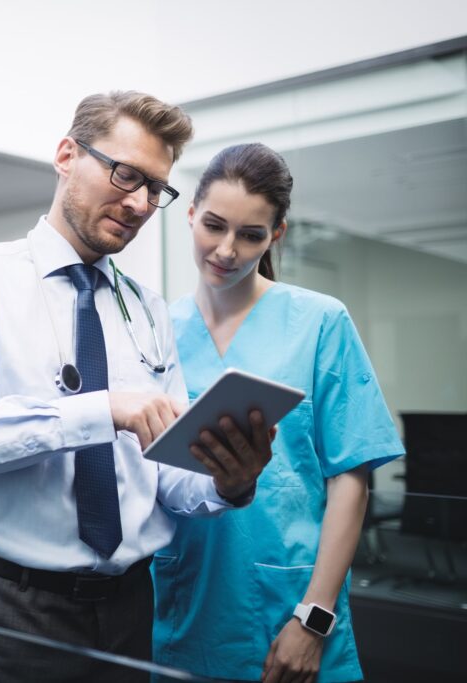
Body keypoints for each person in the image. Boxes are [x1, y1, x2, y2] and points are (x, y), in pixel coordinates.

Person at [0, 91, 275, 683]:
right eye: (126, 174)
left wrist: (226, 481)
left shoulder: (148, 310)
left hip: (129, 606)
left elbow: (166, 477)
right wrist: (98, 410)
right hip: (10, 605)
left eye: (156, 190)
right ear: (65, 155)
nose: (138, 203)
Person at [151, 143, 405, 683]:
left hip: (287, 607)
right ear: (190, 214)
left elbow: (351, 478)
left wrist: (313, 620)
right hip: (178, 604)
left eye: (250, 235)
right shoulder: (155, 331)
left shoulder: (319, 323)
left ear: (276, 235)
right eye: (214, 226)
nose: (226, 250)